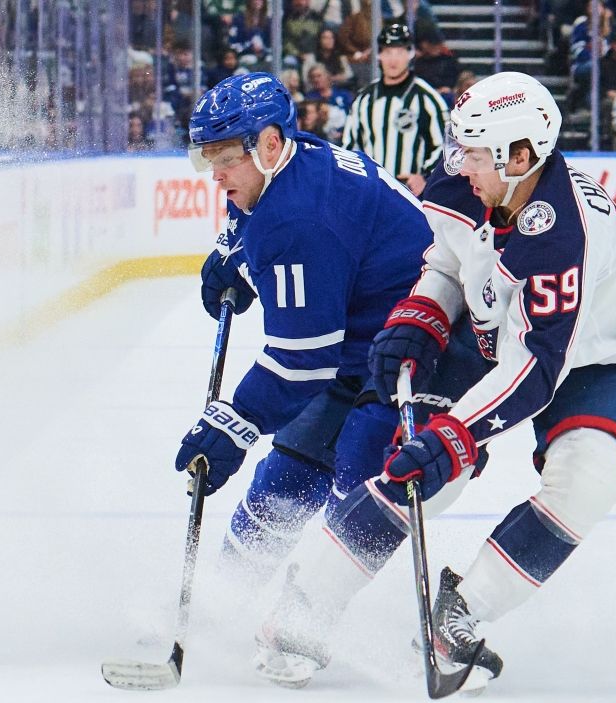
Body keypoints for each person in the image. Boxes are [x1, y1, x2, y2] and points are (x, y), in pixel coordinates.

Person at [252, 71, 616, 690]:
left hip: (590, 361)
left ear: (521, 156)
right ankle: (305, 605)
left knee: (586, 479)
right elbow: (449, 254)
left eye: (475, 151)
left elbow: (538, 365)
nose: (457, 162)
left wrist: (458, 433)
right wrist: (427, 309)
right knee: (421, 475)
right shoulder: (469, 178)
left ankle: (462, 614)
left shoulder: (563, 233)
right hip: (489, 332)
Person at [176, 72, 434, 595]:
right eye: (209, 157)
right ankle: (224, 603)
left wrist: (237, 422)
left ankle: (306, 622)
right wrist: (238, 254)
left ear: (270, 144)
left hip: (418, 351)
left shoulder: (300, 220)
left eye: (226, 158)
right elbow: (250, 216)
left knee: (360, 483)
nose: (216, 175)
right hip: (361, 338)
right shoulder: (295, 159)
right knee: (291, 470)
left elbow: (303, 361)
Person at [343, 23, 449, 197]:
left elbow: (446, 146)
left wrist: (425, 176)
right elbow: (350, 147)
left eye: (400, 52)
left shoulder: (427, 98)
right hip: (372, 194)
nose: (393, 59)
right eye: (388, 52)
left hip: (413, 196)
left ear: (410, 54)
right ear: (379, 55)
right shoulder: (364, 99)